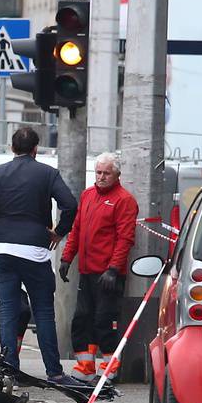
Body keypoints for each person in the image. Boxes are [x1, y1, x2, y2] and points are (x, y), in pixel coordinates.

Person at [0, 126, 78, 384]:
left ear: (12, 148)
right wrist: (59, 232)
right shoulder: (48, 174)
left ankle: (8, 370)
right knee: (44, 310)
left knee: (8, 310)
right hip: (35, 249)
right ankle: (54, 372)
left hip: (2, 248)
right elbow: (70, 204)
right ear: (36, 149)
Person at [60, 151, 138, 361]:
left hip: (107, 275)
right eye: (98, 172)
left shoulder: (124, 201)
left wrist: (113, 269)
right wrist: (66, 258)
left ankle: (109, 369)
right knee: (82, 320)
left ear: (117, 175)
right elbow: (77, 229)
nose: (101, 177)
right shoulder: (87, 195)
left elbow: (125, 238)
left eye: (107, 173)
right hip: (86, 272)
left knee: (105, 321)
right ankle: (85, 368)